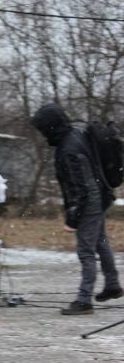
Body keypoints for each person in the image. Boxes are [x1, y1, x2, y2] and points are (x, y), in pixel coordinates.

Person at [31, 103, 123, 315]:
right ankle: (112, 285)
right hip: (101, 196)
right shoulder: (75, 135)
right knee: (100, 242)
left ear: (50, 127)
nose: (43, 134)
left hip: (91, 201)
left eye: (43, 129)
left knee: (86, 250)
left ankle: (84, 300)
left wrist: (73, 219)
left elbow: (82, 188)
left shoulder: (68, 149)